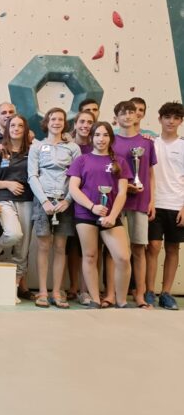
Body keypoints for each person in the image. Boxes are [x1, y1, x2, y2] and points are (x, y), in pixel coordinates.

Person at [68, 122, 132, 308]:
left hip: (111, 216)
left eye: (105, 135)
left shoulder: (119, 162)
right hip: (85, 214)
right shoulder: (81, 160)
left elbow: (122, 193)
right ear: (91, 137)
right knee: (90, 256)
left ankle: (121, 301)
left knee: (123, 258)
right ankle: (95, 299)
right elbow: (73, 188)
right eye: (97, 135)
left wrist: (112, 216)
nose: (101, 139)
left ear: (111, 138)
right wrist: (92, 207)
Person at [28, 107, 81, 308]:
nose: (56, 122)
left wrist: (67, 200)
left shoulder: (73, 148)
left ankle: (57, 292)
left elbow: (77, 177)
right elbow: (32, 176)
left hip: (65, 202)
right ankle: (42, 291)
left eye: (60, 119)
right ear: (47, 123)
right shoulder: (37, 147)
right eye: (53, 119)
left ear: (64, 123)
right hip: (43, 201)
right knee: (43, 246)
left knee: (60, 247)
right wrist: (44, 201)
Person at [0, 114, 33, 295]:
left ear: (25, 130)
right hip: (4, 199)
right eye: (13, 126)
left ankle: (14, 287)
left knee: (22, 249)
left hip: (27, 201)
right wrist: (7, 184)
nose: (16, 129)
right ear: (7, 129)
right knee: (13, 234)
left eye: (20, 126)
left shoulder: (33, 152)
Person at [111, 100, 157, 308]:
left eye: (131, 112)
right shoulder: (111, 141)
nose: (128, 116)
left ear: (137, 116)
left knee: (139, 249)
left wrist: (152, 200)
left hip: (140, 201)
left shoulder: (147, 143)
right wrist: (124, 186)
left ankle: (140, 294)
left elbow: (151, 174)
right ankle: (111, 293)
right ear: (116, 118)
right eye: (123, 113)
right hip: (116, 202)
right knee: (113, 251)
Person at [145, 102, 184, 310]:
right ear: (160, 119)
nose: (171, 121)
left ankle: (166, 293)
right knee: (153, 246)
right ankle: (149, 291)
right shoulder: (150, 143)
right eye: (167, 117)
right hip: (154, 204)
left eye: (176, 118)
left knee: (172, 248)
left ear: (181, 121)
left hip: (177, 205)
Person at [66, 110, 96, 305]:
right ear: (75, 124)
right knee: (72, 246)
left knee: (90, 249)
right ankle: (73, 287)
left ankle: (86, 290)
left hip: (92, 204)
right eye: (82, 122)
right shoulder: (67, 145)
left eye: (89, 122)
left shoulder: (98, 144)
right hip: (70, 200)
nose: (85, 125)